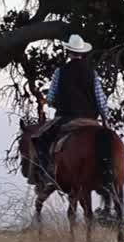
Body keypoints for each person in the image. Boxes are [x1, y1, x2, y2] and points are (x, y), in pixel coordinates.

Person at [33, 34, 109, 182]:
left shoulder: (60, 72)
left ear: (68, 51)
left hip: (66, 117)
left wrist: (52, 101)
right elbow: (101, 100)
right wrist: (105, 119)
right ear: (82, 53)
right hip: (89, 119)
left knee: (41, 139)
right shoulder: (92, 73)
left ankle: (46, 174)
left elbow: (51, 98)